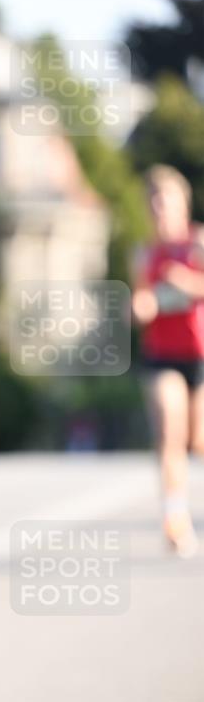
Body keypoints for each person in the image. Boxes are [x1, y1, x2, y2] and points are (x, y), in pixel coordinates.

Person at [131, 164, 204, 558]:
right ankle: (175, 519)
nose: (161, 208)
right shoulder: (144, 254)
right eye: (154, 201)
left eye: (167, 199)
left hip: (201, 354)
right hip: (162, 355)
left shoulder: (199, 243)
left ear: (182, 202)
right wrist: (140, 307)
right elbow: (140, 300)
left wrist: (190, 284)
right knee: (168, 433)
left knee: (199, 440)